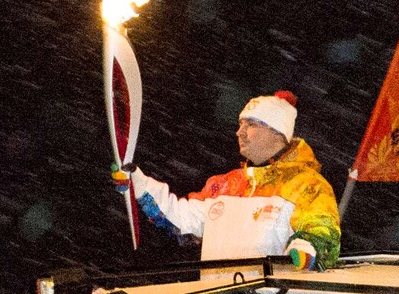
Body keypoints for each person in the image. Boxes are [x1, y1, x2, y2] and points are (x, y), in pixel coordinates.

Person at [125, 91, 342, 270]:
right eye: (240, 125)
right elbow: (180, 219)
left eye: (251, 125)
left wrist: (306, 249)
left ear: (278, 133)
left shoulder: (307, 185)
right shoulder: (225, 185)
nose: (240, 132)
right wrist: (138, 182)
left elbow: (321, 231)